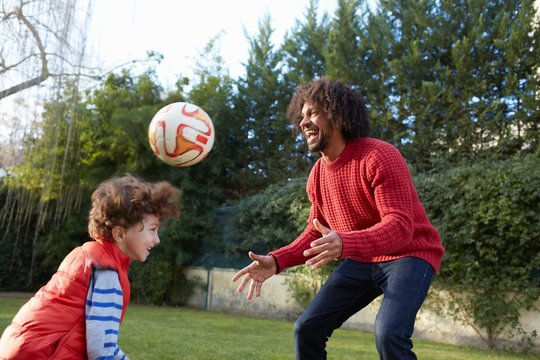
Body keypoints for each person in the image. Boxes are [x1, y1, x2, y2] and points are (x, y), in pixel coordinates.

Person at [232, 78, 445, 360]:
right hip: (363, 260)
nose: (303, 122)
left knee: (389, 333)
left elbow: (401, 227)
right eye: (302, 115)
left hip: (411, 255)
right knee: (307, 329)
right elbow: (316, 231)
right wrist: (277, 259)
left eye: (313, 113)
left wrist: (344, 242)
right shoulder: (317, 175)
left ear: (337, 114)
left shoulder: (379, 155)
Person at [0, 174, 181, 360]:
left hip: (19, 345)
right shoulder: (107, 273)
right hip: (43, 354)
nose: (157, 239)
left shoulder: (86, 255)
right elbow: (101, 352)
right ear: (119, 234)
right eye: (152, 229)